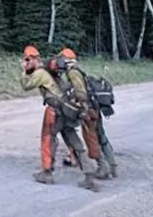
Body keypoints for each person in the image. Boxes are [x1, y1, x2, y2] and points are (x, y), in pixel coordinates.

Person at [20, 45, 99, 190]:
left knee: (48, 138)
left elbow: (26, 85)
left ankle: (47, 172)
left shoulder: (41, 73)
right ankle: (89, 175)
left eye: (27, 59)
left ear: (33, 59)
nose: (26, 61)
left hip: (55, 111)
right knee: (74, 141)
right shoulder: (53, 73)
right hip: (67, 110)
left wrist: (25, 70)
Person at [59, 48, 117, 179]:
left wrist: (82, 107)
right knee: (101, 136)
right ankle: (113, 166)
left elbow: (80, 92)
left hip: (89, 109)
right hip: (95, 106)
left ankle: (102, 168)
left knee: (91, 137)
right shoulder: (78, 71)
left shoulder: (73, 73)